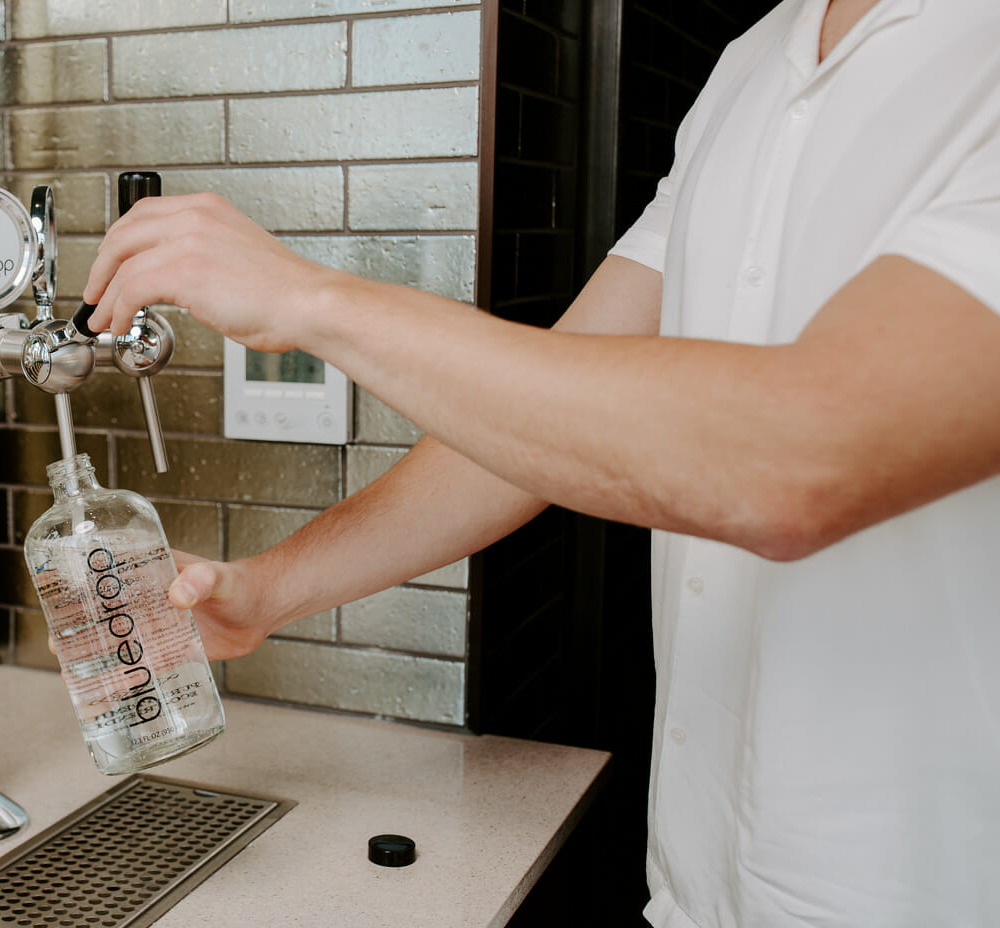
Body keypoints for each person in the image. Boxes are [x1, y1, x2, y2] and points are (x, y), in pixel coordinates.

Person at [79, 0, 1000, 925]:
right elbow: (525, 439)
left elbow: (802, 457)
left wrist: (313, 301)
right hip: (701, 894)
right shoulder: (752, 64)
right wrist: (271, 590)